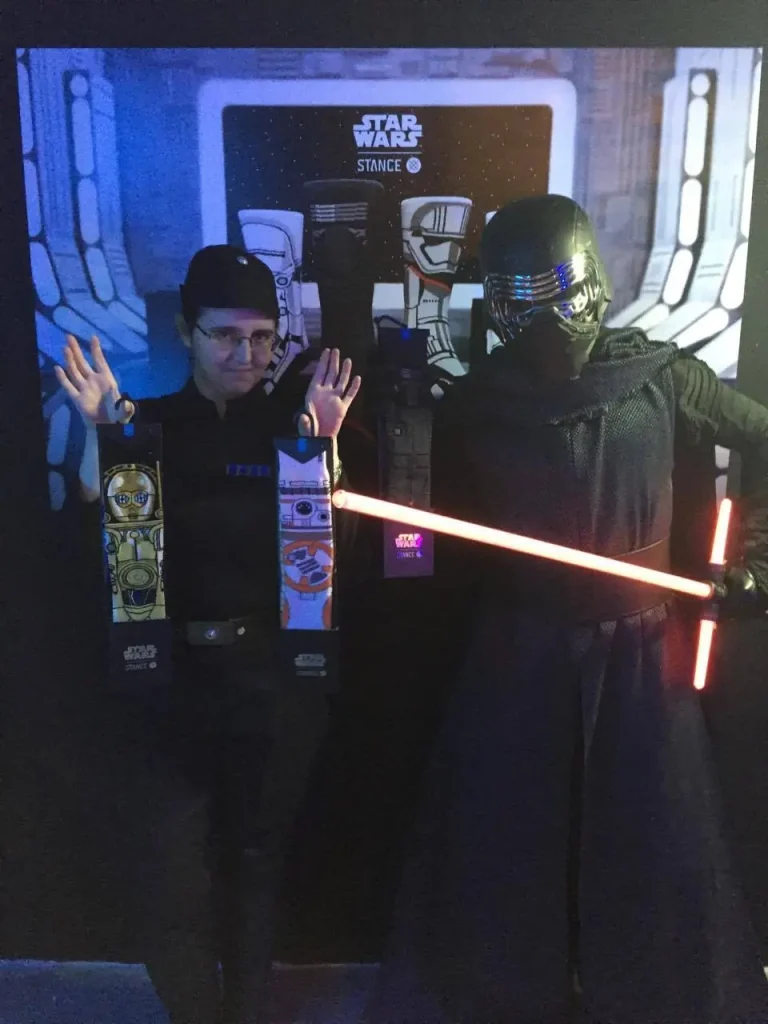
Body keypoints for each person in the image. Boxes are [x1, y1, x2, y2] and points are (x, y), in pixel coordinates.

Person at [363, 195, 768, 1024]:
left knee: (653, 839)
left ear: (594, 285)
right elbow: (411, 527)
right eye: (528, 304)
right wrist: (367, 436)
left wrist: (753, 567)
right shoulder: (474, 402)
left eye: (563, 296)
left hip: (642, 652)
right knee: (509, 839)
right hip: (518, 648)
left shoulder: (660, 375)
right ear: (498, 304)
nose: (552, 325)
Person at [54, 244, 361, 1024]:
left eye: (261, 338)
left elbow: (333, 562)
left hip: (272, 684)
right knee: (169, 882)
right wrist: (101, 434)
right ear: (187, 332)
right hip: (167, 686)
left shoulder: (294, 427)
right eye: (226, 335)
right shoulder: (145, 424)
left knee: (256, 866)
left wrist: (324, 451)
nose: (246, 354)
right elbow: (89, 541)